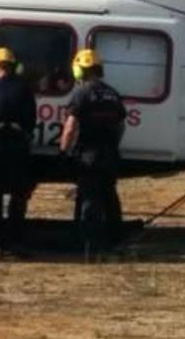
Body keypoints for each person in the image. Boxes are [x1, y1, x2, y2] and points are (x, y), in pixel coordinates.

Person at [59, 49, 127, 258]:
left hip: (89, 156)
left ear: (79, 70)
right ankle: (114, 242)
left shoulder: (81, 94)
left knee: (89, 199)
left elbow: (70, 127)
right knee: (109, 197)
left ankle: (89, 247)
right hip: (110, 155)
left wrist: (63, 151)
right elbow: (121, 126)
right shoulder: (113, 94)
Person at [0, 47, 37, 259]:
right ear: (15, 67)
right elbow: (31, 120)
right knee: (18, 198)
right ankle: (15, 241)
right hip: (18, 150)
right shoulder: (25, 90)